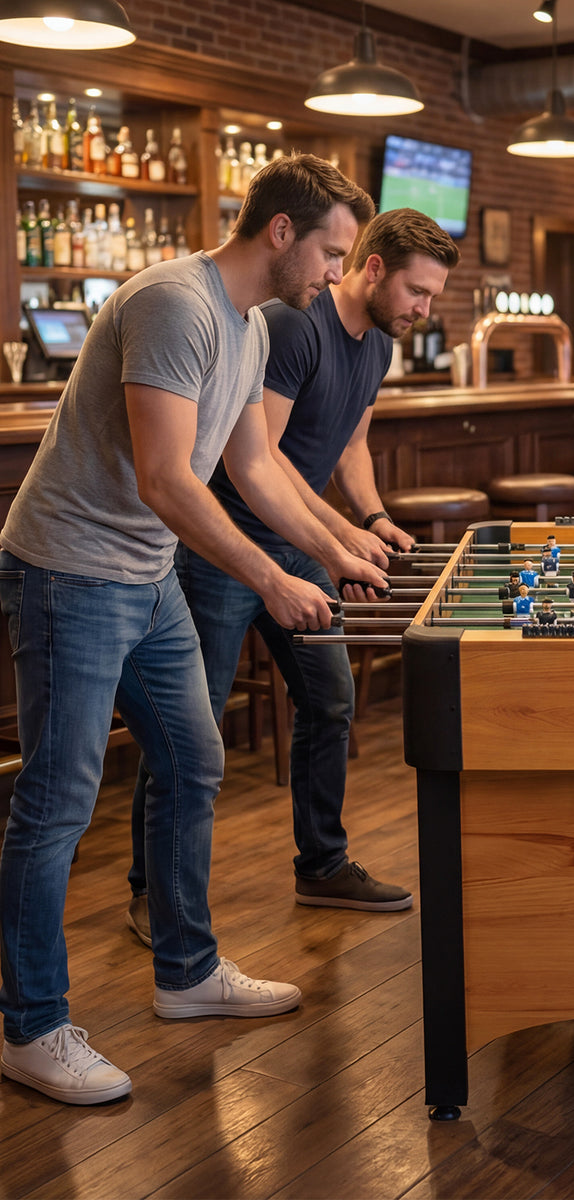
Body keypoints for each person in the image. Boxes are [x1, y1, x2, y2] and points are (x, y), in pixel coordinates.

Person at [0, 153, 389, 1106]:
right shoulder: (175, 301)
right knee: (58, 799)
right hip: (70, 569)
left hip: (145, 574)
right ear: (283, 232)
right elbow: (167, 479)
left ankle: (187, 972)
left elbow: (254, 468)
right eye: (333, 254)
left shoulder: (256, 323)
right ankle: (32, 1026)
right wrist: (270, 577)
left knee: (193, 756)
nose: (338, 276)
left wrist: (333, 545)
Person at [122, 207, 460, 941]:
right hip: (223, 546)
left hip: (295, 542)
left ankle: (322, 865)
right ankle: (152, 891)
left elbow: (351, 449)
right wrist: (338, 539)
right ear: (375, 268)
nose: (424, 310)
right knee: (192, 727)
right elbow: (258, 462)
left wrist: (369, 518)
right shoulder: (296, 325)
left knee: (330, 702)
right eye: (418, 292)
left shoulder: (377, 346)